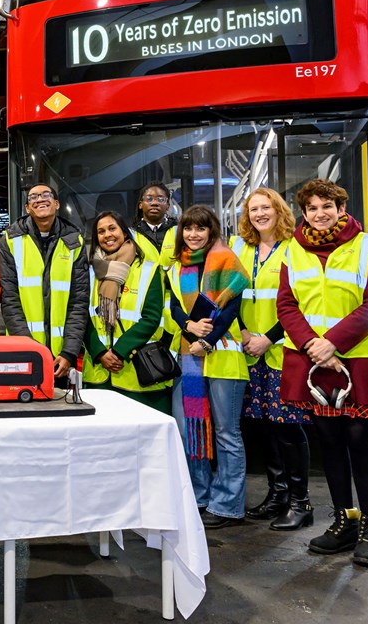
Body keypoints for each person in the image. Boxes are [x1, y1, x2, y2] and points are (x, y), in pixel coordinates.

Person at [277, 178, 368, 568]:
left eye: (326, 205)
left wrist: (333, 343)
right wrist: (314, 345)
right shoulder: (292, 250)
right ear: (304, 213)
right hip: (311, 358)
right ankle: (345, 519)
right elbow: (287, 305)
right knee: (327, 439)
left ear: (341, 208)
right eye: (311, 207)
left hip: (358, 357)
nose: (319, 213)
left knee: (360, 440)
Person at [231, 188, 313, 531]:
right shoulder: (239, 248)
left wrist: (268, 338)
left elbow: (304, 301)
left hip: (282, 351)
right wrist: (245, 333)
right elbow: (226, 294)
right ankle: (277, 495)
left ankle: (300, 502)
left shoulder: (297, 247)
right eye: (253, 210)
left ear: (279, 210)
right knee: (264, 426)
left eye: (266, 207)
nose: (260, 214)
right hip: (249, 350)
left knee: (288, 427)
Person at [167, 205, 250, 529]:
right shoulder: (176, 269)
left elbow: (231, 312)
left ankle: (228, 505)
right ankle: (198, 496)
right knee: (191, 430)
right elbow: (174, 307)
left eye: (200, 228)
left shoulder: (229, 262)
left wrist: (208, 339)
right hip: (189, 357)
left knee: (227, 433)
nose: (193, 234)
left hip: (223, 357)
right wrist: (189, 326)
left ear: (211, 230)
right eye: (188, 228)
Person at [0, 183, 89, 382]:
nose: (40, 199)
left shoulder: (74, 242)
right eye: (33, 197)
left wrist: (69, 353)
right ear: (27, 208)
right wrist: (29, 350)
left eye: (46, 195)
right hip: (22, 353)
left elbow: (78, 303)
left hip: (61, 360)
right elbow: (9, 300)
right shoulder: (11, 240)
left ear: (56, 204)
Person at [82, 209, 168, 413]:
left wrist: (119, 351)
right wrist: (100, 352)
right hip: (99, 374)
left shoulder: (149, 269)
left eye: (112, 228)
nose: (107, 235)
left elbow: (152, 317)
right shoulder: (90, 272)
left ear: (125, 232)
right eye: (101, 231)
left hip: (137, 372)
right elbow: (82, 317)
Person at [133, 183, 177, 266]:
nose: (154, 203)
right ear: (140, 205)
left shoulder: (179, 231)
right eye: (149, 199)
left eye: (160, 199)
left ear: (168, 205)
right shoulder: (131, 234)